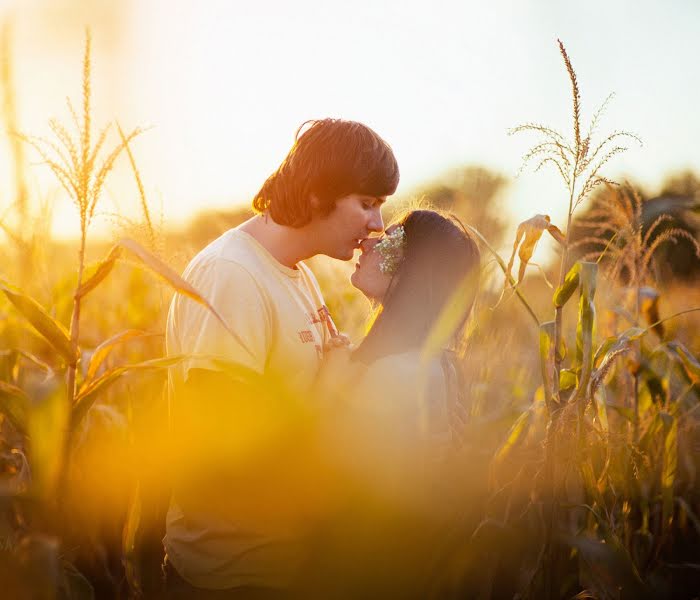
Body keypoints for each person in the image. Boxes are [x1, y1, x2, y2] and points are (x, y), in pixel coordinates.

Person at [162, 118, 399, 598]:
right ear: (317, 194)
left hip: (286, 563)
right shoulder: (231, 275)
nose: (377, 224)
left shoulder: (296, 273)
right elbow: (227, 449)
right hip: (232, 575)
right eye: (367, 204)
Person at [305, 209, 480, 599]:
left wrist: (331, 384)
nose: (368, 241)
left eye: (392, 240)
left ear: (416, 271)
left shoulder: (398, 374)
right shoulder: (430, 363)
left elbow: (320, 474)